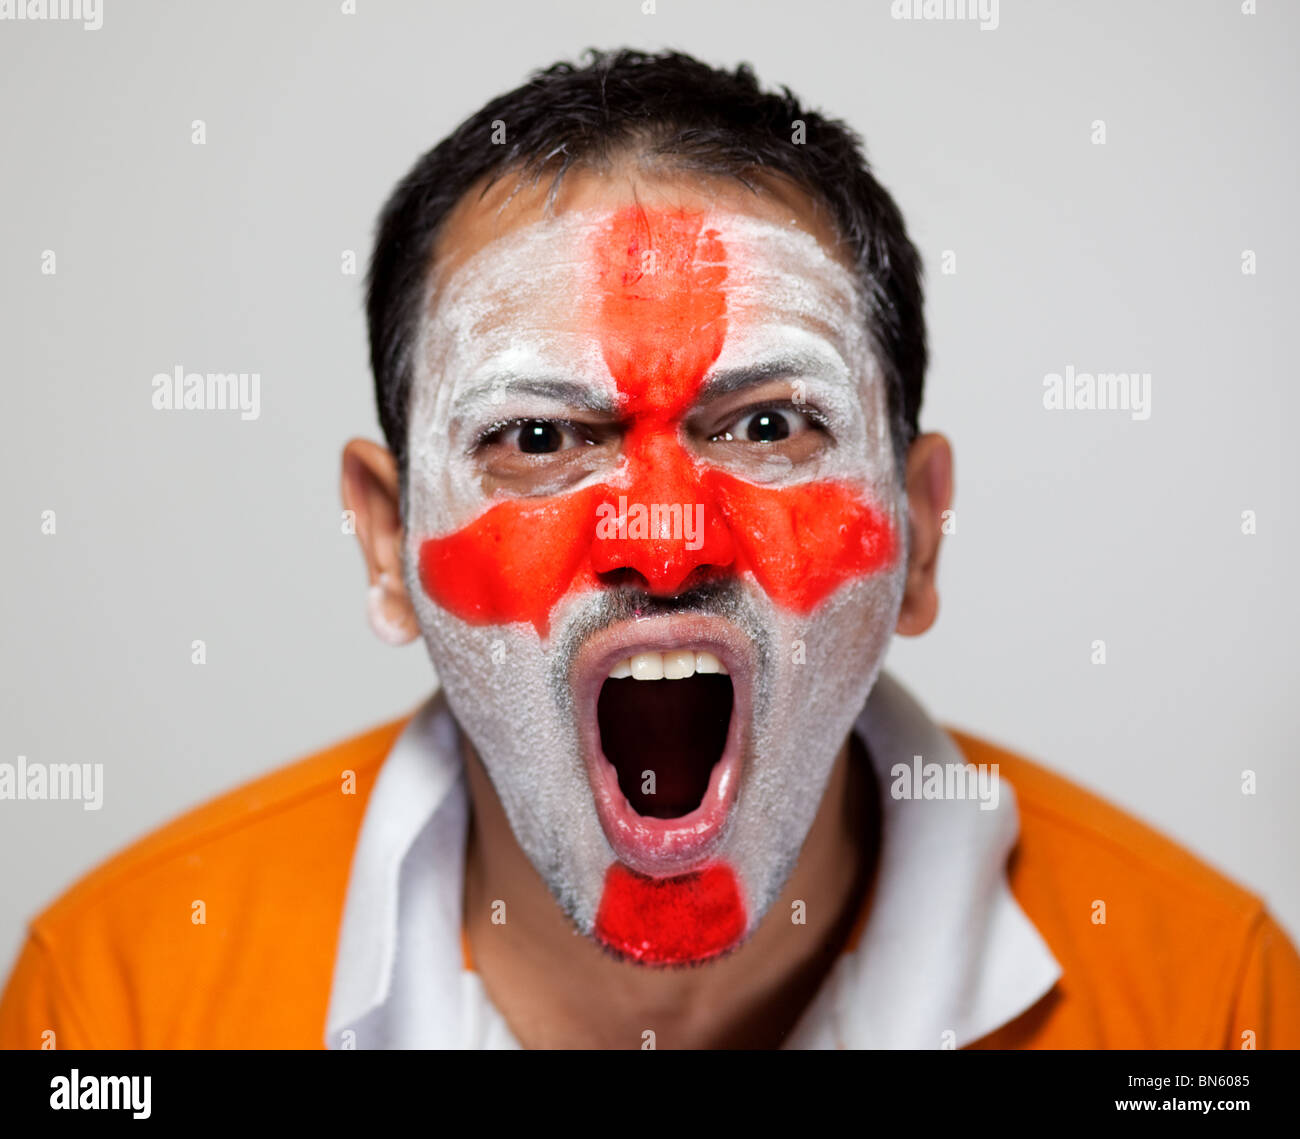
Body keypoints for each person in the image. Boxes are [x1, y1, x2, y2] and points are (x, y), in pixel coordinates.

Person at [2, 48, 1296, 1050]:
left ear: (921, 530)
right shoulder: (119, 998)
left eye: (771, 424)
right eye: (538, 436)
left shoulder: (1212, 1001)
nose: (664, 539)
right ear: (389, 543)